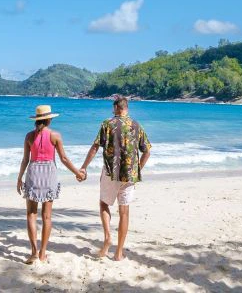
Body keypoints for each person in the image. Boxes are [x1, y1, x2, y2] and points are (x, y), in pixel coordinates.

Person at [79, 95, 151, 261]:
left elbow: (95, 147)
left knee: (104, 203)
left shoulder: (108, 124)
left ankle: (107, 237)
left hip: (111, 172)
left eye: (113, 109)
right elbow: (147, 151)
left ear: (117, 108)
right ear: (127, 108)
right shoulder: (136, 125)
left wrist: (84, 167)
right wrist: (137, 168)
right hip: (129, 176)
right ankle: (118, 253)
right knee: (124, 212)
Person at [16, 104, 84, 264]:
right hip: (49, 174)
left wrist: (19, 178)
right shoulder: (55, 136)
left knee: (31, 214)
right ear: (49, 120)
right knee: (47, 216)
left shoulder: (28, 136)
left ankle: (33, 252)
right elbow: (64, 159)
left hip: (33, 172)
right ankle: (43, 253)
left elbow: (25, 159)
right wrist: (78, 173)